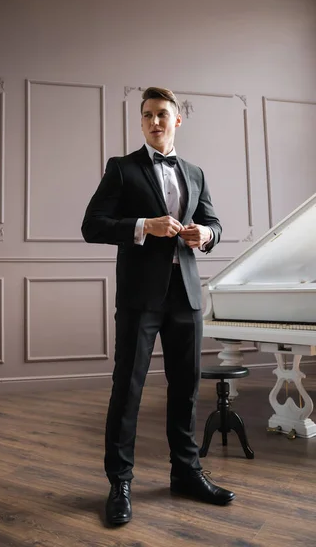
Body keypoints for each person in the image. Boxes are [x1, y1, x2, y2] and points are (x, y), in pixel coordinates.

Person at [81, 87, 234, 525]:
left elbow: (214, 223)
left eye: (162, 114)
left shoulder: (195, 172)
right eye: (147, 116)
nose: (154, 122)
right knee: (127, 388)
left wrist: (205, 236)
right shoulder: (122, 169)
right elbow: (92, 225)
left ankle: (186, 473)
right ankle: (120, 483)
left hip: (185, 293)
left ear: (177, 120)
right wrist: (143, 226)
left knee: (185, 386)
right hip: (139, 298)